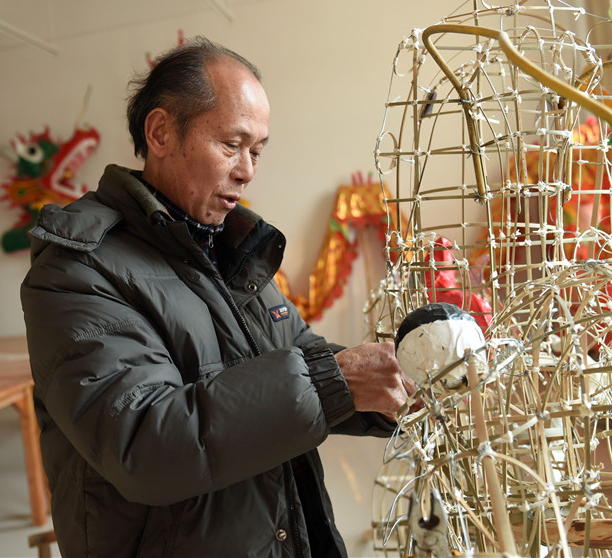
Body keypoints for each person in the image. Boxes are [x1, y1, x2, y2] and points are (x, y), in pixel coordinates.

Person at [21, 36, 415, 558]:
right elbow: (146, 441)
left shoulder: (228, 248)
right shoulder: (79, 267)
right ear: (161, 133)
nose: (247, 169)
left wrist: (402, 386)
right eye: (231, 145)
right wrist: (337, 383)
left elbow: (306, 360)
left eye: (256, 151)